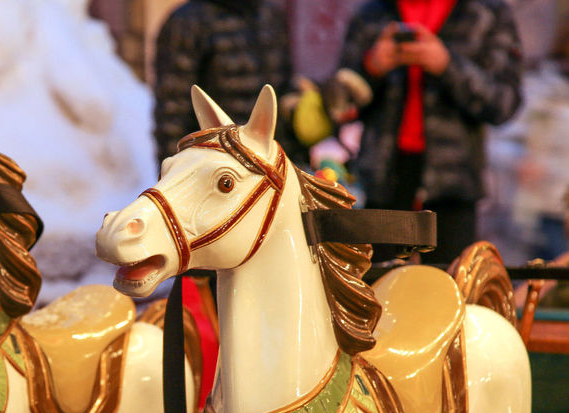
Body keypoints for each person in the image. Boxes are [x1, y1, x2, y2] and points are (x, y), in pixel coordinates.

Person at [339, 0, 523, 263]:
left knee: (446, 293)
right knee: (376, 292)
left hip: (453, 190)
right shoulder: (373, 13)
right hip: (383, 183)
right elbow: (338, 104)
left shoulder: (487, 13)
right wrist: (372, 68)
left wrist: (448, 65)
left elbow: (505, 103)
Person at [152, 0, 305, 167]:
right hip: (218, 168)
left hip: (272, 163)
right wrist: (176, 172)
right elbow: (172, 112)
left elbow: (283, 90)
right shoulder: (188, 21)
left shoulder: (270, 15)